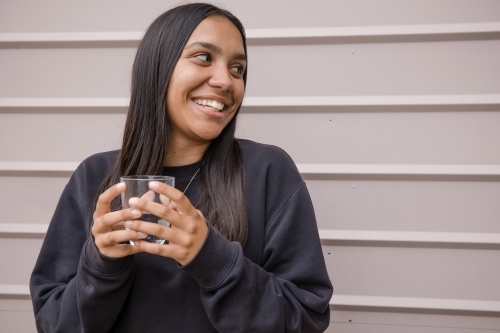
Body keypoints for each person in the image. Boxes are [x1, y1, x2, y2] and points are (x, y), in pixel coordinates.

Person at [30, 3, 333, 332]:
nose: (225, 81)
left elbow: (306, 320)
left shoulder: (268, 173)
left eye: (237, 69)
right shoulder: (93, 178)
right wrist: (100, 265)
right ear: (157, 67)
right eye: (204, 57)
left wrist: (211, 259)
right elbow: (54, 325)